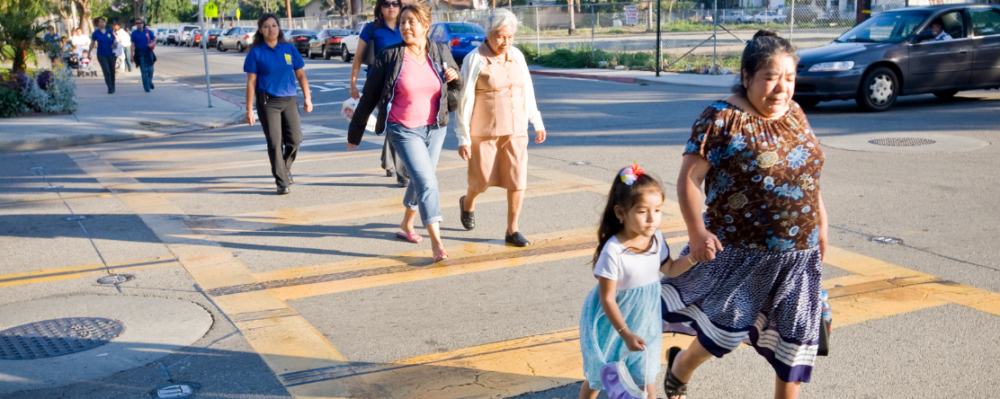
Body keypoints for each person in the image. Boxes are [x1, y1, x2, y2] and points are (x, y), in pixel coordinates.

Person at [659, 30, 828, 399]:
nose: (782, 88)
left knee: (794, 344)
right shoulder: (721, 118)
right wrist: (696, 233)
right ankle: (680, 366)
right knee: (724, 333)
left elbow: (807, 176)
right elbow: (689, 179)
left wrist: (822, 226)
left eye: (789, 77)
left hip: (799, 256)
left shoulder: (796, 113)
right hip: (741, 255)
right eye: (770, 77)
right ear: (747, 76)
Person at [346, 2, 461, 263]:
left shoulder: (439, 51)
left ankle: (407, 224)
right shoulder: (389, 55)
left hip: (436, 128)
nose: (405, 26)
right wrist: (355, 133)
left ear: (425, 27)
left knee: (423, 179)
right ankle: (437, 243)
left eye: (411, 22)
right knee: (428, 182)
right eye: (403, 22)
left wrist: (455, 76)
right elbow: (370, 96)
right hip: (403, 129)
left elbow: (457, 83)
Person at [578, 164, 699, 399]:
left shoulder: (656, 239)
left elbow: (671, 269)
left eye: (658, 210)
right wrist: (625, 334)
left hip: (646, 319)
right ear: (621, 213)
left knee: (646, 378)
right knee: (600, 376)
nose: (652, 219)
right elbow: (607, 299)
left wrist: (694, 258)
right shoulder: (613, 251)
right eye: (642, 211)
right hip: (613, 324)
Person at [454, 9, 546, 248]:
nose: (506, 42)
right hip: (483, 131)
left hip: (516, 129)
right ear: (490, 34)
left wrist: (536, 120)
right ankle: (468, 202)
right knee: (481, 180)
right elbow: (464, 100)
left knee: (517, 180)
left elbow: (527, 89)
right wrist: (463, 136)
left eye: (511, 37)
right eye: (501, 37)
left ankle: (512, 230)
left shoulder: (517, 56)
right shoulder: (474, 59)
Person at [244, 13, 314, 195]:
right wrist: (249, 109)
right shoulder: (256, 53)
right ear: (260, 30)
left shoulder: (289, 49)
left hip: (290, 100)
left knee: (295, 140)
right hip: (268, 102)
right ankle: (281, 181)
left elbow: (300, 75)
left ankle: (285, 168)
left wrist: (307, 98)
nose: (271, 29)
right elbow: (251, 82)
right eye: (266, 26)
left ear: (279, 28)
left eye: (274, 25)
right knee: (275, 143)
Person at [350, 0, 408, 187]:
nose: (391, 6)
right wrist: (353, 84)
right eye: (386, 3)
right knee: (393, 120)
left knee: (394, 123)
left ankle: (387, 160)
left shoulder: (405, 26)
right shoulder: (371, 28)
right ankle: (402, 173)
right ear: (379, 8)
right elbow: (358, 57)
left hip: (404, 82)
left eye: (395, 3)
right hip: (379, 84)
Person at [89, 17, 118, 93]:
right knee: (106, 71)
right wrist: (89, 52)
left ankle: (113, 85)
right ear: (97, 24)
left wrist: (114, 45)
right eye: (100, 22)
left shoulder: (109, 32)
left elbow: (114, 40)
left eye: (103, 22)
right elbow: (92, 43)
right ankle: (110, 87)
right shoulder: (96, 33)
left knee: (112, 71)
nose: (102, 23)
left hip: (111, 54)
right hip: (101, 54)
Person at [130, 19, 156, 92]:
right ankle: (146, 87)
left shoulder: (148, 31)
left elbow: (154, 39)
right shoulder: (134, 33)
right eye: (137, 23)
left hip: (148, 52)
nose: (138, 24)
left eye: (140, 23)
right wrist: (131, 56)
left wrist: (152, 43)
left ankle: (150, 81)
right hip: (140, 53)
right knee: (143, 70)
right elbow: (132, 45)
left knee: (150, 69)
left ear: (143, 24)